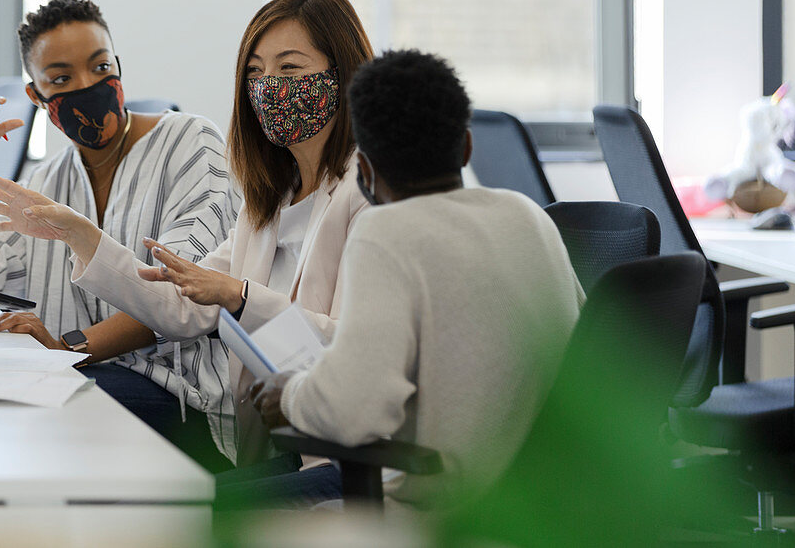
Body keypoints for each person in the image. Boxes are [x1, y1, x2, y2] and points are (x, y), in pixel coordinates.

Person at [0, 0, 373, 490]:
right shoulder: (270, 199)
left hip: (355, 462)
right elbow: (184, 305)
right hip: (287, 446)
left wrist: (243, 299)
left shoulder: (369, 194)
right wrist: (79, 234)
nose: (269, 88)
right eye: (255, 73)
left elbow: (365, 354)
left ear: (343, 73)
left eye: (289, 71)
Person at [249, 49, 585, 510]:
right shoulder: (529, 217)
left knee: (203, 509)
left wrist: (288, 394)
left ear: (364, 171)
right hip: (541, 501)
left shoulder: (387, 233)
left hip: (439, 508)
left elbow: (353, 411)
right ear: (466, 147)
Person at [0, 0, 238, 471]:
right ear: (36, 96)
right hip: (76, 381)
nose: (86, 86)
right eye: (60, 79)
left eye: (100, 67)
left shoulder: (191, 142)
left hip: (179, 397)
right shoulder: (48, 181)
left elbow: (179, 292)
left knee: (9, 426)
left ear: (118, 66)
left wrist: (68, 348)